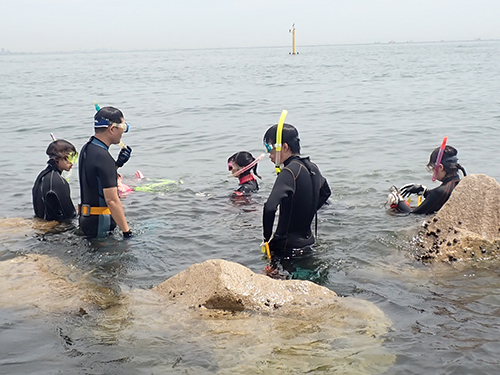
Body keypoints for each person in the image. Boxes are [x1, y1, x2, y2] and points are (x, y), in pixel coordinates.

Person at [262, 123, 331, 259]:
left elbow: (269, 207)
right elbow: (326, 193)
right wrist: (306, 211)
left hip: (286, 248)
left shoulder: (288, 172)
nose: (269, 154)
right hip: (309, 242)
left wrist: (266, 239)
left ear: (285, 147)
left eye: (269, 148)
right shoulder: (312, 167)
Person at [78, 106, 133, 238]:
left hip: (86, 220)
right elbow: (112, 201)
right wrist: (127, 232)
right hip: (100, 224)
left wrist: (117, 164)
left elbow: (96, 178)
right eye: (123, 128)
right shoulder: (104, 157)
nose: (123, 133)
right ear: (112, 129)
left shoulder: (87, 149)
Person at [390, 145, 467, 214]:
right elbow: (439, 199)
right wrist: (425, 192)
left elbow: (413, 214)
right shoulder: (460, 184)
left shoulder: (440, 192)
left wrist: (399, 202)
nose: (433, 171)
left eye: (433, 168)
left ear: (440, 167)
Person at [32, 139, 77, 222]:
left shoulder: (42, 175)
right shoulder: (59, 182)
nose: (72, 162)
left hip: (41, 227)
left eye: (74, 157)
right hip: (55, 231)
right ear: (57, 159)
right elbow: (71, 215)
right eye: (70, 157)